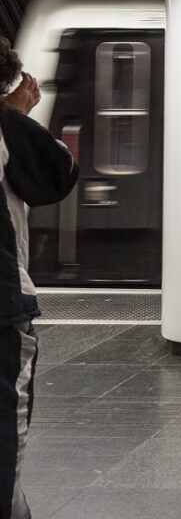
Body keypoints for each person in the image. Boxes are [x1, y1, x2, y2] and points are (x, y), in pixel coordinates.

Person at [0, 39, 77, 519]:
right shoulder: (7, 128)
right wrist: (15, 115)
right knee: (7, 427)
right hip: (3, 306)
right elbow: (57, 175)